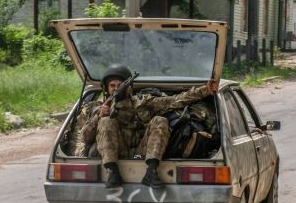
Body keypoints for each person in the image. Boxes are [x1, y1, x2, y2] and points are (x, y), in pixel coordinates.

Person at [78, 64, 219, 189]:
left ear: (128, 87)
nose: (116, 89)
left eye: (120, 85)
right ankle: (112, 172)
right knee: (106, 121)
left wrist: (205, 90)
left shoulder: (142, 103)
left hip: (142, 149)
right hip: (116, 151)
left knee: (160, 120)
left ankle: (151, 172)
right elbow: (85, 137)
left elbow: (175, 100)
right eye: (112, 86)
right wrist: (99, 117)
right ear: (106, 88)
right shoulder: (99, 108)